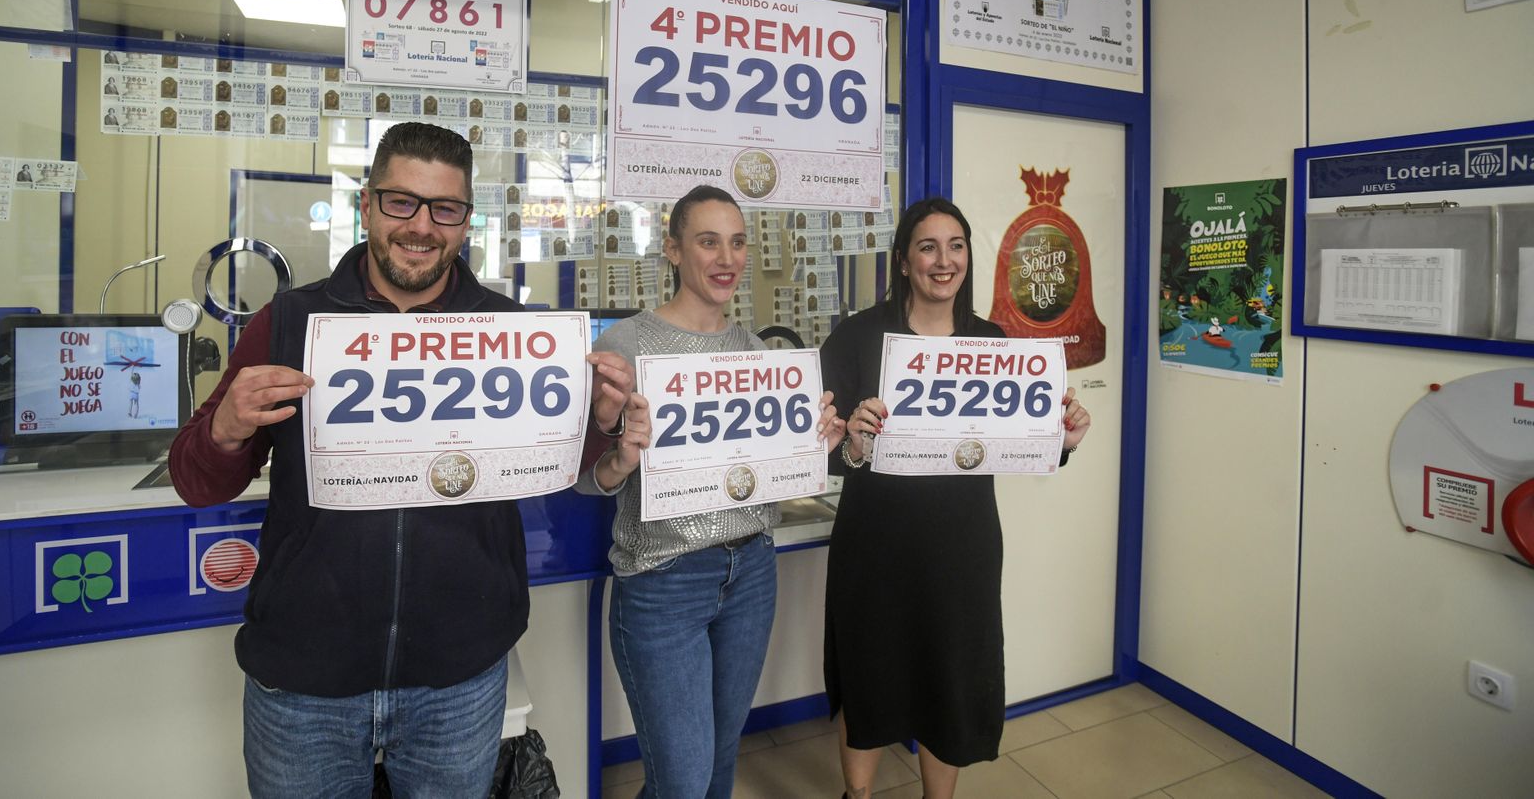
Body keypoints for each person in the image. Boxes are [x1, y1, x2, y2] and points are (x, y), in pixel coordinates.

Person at [168, 122, 637, 799]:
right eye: (401, 202)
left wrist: (597, 421)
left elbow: (558, 468)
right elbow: (194, 478)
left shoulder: (513, 333)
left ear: (466, 221)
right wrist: (226, 428)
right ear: (367, 206)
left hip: (459, 677)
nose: (421, 226)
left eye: (445, 209)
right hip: (306, 679)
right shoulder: (290, 322)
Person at [579, 185, 845, 799]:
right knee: (684, 780)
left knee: (720, 759)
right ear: (673, 250)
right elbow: (588, 479)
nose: (726, 257)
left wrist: (813, 450)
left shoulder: (757, 353)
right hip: (663, 579)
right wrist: (620, 452)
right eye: (707, 241)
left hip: (752, 570)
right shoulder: (625, 347)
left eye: (736, 241)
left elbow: (766, 470)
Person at [821, 197, 1091, 799]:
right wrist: (855, 446)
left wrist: (1062, 440)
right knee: (871, 669)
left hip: (961, 547)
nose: (944, 261)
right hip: (875, 544)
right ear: (902, 260)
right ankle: (857, 796)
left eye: (956, 246)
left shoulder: (994, 344)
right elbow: (822, 447)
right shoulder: (857, 337)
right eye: (927, 246)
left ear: (968, 256)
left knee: (952, 672)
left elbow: (1021, 441)